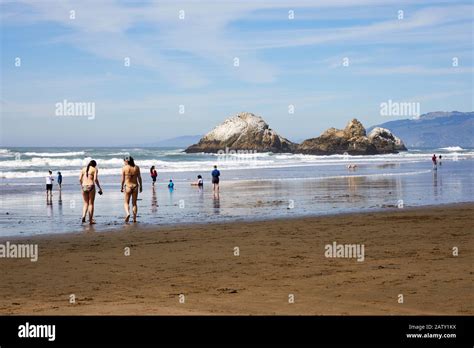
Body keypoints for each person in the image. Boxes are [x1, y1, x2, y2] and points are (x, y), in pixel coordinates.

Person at [79, 160, 103, 224]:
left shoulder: (83, 169)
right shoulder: (95, 169)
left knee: (85, 203)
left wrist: (82, 185)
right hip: (91, 186)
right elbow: (95, 179)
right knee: (91, 204)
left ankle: (83, 216)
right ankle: (90, 220)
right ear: (95, 165)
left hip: (84, 186)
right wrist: (99, 188)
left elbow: (79, 179)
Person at [121, 156, 142, 223]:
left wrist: (121, 187)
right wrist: (141, 186)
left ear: (126, 161)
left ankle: (127, 213)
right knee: (134, 203)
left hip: (128, 186)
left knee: (126, 202)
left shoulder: (124, 168)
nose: (124, 162)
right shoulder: (137, 167)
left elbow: (123, 179)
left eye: (124, 161)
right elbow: (139, 178)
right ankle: (134, 219)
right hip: (135, 186)